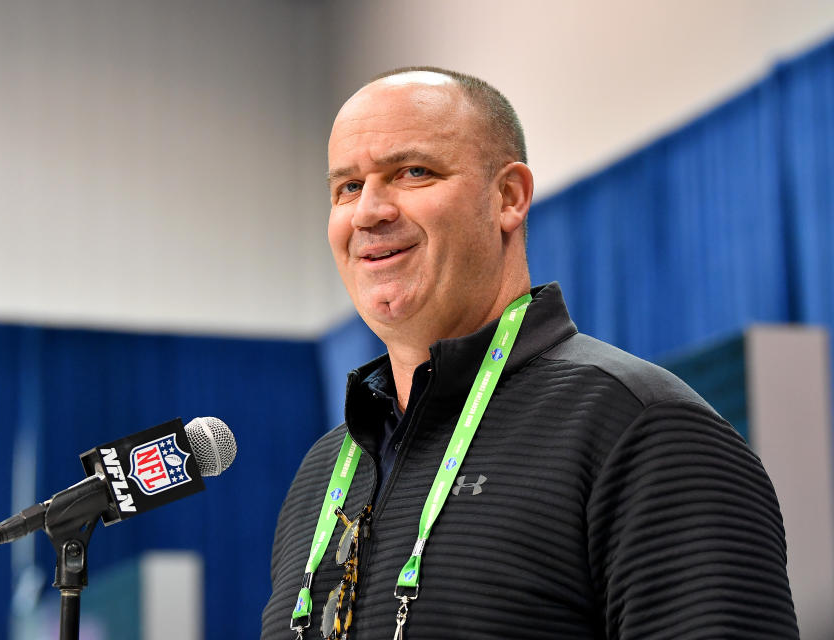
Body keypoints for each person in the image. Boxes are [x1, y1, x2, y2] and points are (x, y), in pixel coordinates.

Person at [261, 67, 798, 639]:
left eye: (412, 172)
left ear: (508, 198)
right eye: (347, 187)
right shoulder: (323, 472)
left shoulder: (643, 429)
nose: (368, 211)